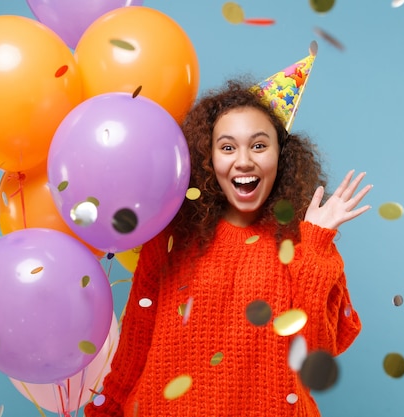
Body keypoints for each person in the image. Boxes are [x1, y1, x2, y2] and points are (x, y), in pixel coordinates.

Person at [84, 67, 372, 416]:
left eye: (259, 145)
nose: (244, 161)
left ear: (282, 156)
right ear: (208, 158)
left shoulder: (308, 244)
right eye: (227, 147)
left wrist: (315, 244)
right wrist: (104, 410)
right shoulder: (174, 235)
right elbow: (135, 345)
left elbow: (316, 354)